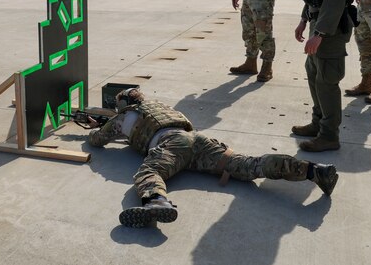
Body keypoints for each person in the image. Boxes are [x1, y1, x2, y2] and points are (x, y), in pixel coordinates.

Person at [87, 88, 338, 228]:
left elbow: (98, 141)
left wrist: (96, 126)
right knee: (247, 165)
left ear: (124, 105)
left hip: (169, 144)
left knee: (149, 173)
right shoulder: (161, 107)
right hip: (196, 140)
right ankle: (313, 170)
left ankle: (156, 202)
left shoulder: (123, 117)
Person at [292, 0, 359, 152]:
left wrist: (319, 34)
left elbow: (334, 0)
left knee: (327, 81)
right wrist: (303, 19)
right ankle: (318, 123)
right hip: (318, 24)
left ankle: (329, 135)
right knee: (313, 74)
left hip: (330, 30)